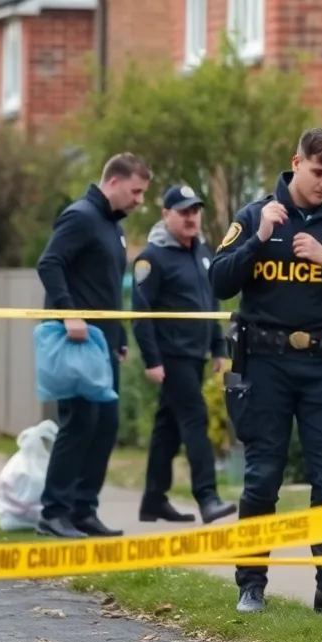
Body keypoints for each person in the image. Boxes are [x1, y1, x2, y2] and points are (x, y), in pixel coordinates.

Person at [208, 127, 322, 616]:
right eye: (317, 172)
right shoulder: (255, 216)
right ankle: (251, 583)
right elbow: (218, 279)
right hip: (265, 364)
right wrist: (259, 241)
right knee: (262, 477)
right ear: (297, 162)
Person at [35, 153, 153, 539]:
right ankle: (54, 512)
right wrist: (69, 314)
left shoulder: (113, 227)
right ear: (114, 182)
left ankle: (84, 510)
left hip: (103, 344)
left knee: (105, 426)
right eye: (136, 191)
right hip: (76, 342)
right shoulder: (81, 216)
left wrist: (118, 339)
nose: (139, 201)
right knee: (80, 422)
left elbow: (106, 290)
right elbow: (49, 264)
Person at [131, 184, 237, 526]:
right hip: (171, 355)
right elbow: (140, 310)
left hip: (196, 354)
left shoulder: (202, 251)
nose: (191, 217)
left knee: (168, 429)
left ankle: (153, 501)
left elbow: (212, 299)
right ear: (166, 216)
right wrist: (152, 360)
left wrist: (219, 347)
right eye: (184, 212)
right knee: (195, 420)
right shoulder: (152, 257)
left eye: (195, 210)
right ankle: (208, 496)